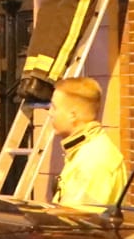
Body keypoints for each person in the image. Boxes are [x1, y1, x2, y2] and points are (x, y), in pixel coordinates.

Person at [50, 76, 127, 208]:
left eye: (54, 107)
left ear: (73, 115)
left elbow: (76, 217)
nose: (50, 113)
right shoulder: (85, 150)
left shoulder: (93, 160)